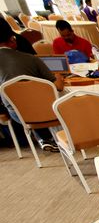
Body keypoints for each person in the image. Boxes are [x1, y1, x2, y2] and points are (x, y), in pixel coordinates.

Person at [0, 22, 63, 151]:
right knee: (41, 98)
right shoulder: (31, 59)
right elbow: (58, 87)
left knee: (16, 101)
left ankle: (42, 138)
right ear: (12, 40)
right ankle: (53, 137)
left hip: (17, 115)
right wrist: (58, 75)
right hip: (47, 111)